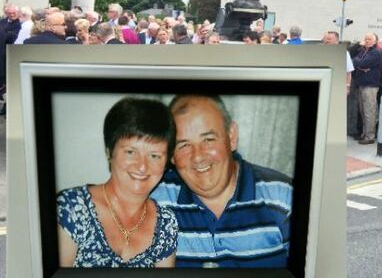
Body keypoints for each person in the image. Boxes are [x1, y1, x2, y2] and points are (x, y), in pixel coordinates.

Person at [150, 94, 292, 268]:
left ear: (231, 137)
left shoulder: (283, 196)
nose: (198, 156)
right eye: (184, 145)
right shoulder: (155, 201)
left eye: (208, 139)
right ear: (171, 153)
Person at [56, 97, 178, 267]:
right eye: (130, 152)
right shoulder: (71, 208)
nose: (142, 166)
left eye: (154, 156)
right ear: (109, 151)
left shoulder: (166, 223)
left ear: (166, 163)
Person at [352, 33, 382, 144]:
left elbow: (362, 62)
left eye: (369, 39)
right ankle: (365, 133)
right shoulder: (363, 50)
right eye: (366, 38)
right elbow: (354, 60)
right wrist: (361, 66)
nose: (367, 41)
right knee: (363, 111)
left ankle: (370, 136)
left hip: (370, 85)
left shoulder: (376, 52)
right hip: (362, 84)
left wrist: (360, 65)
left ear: (375, 41)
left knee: (369, 111)